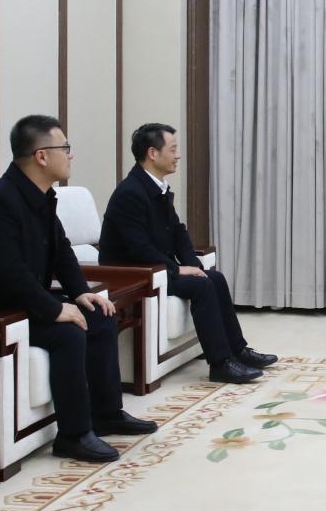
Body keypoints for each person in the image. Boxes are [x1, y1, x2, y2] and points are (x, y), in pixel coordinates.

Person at [0, 116, 155, 464]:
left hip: (20, 303)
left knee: (98, 314)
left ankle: (106, 413)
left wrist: (80, 293)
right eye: (65, 147)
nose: (71, 155)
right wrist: (54, 309)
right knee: (68, 333)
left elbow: (61, 249)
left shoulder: (41, 195)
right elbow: (7, 271)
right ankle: (73, 435)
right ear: (41, 156)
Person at [99, 122, 276, 385]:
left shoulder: (156, 186)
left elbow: (178, 231)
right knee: (201, 286)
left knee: (214, 278)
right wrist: (176, 269)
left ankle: (237, 350)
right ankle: (220, 364)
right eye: (173, 149)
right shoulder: (130, 193)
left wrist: (195, 266)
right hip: (136, 273)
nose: (178, 155)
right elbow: (138, 247)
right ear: (152, 153)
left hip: (156, 268)